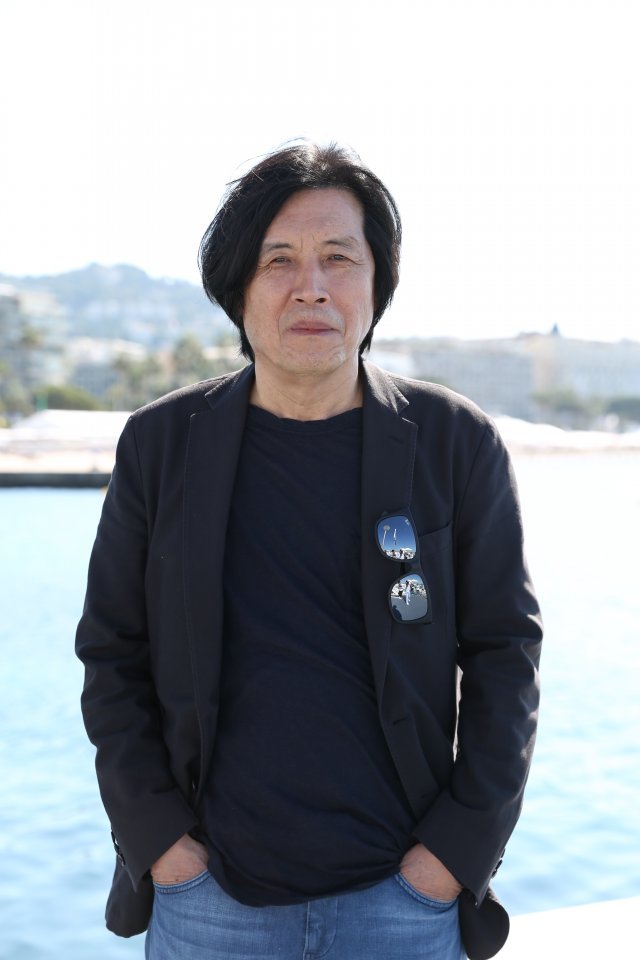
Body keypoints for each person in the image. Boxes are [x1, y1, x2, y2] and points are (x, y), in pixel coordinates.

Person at [76, 142, 542, 960]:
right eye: (279, 260)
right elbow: (113, 652)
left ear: (377, 282)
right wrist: (161, 845)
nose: (312, 286)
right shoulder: (161, 444)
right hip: (210, 904)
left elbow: (506, 655)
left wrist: (451, 858)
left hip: (404, 904)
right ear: (238, 288)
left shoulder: (454, 442)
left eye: (338, 258)